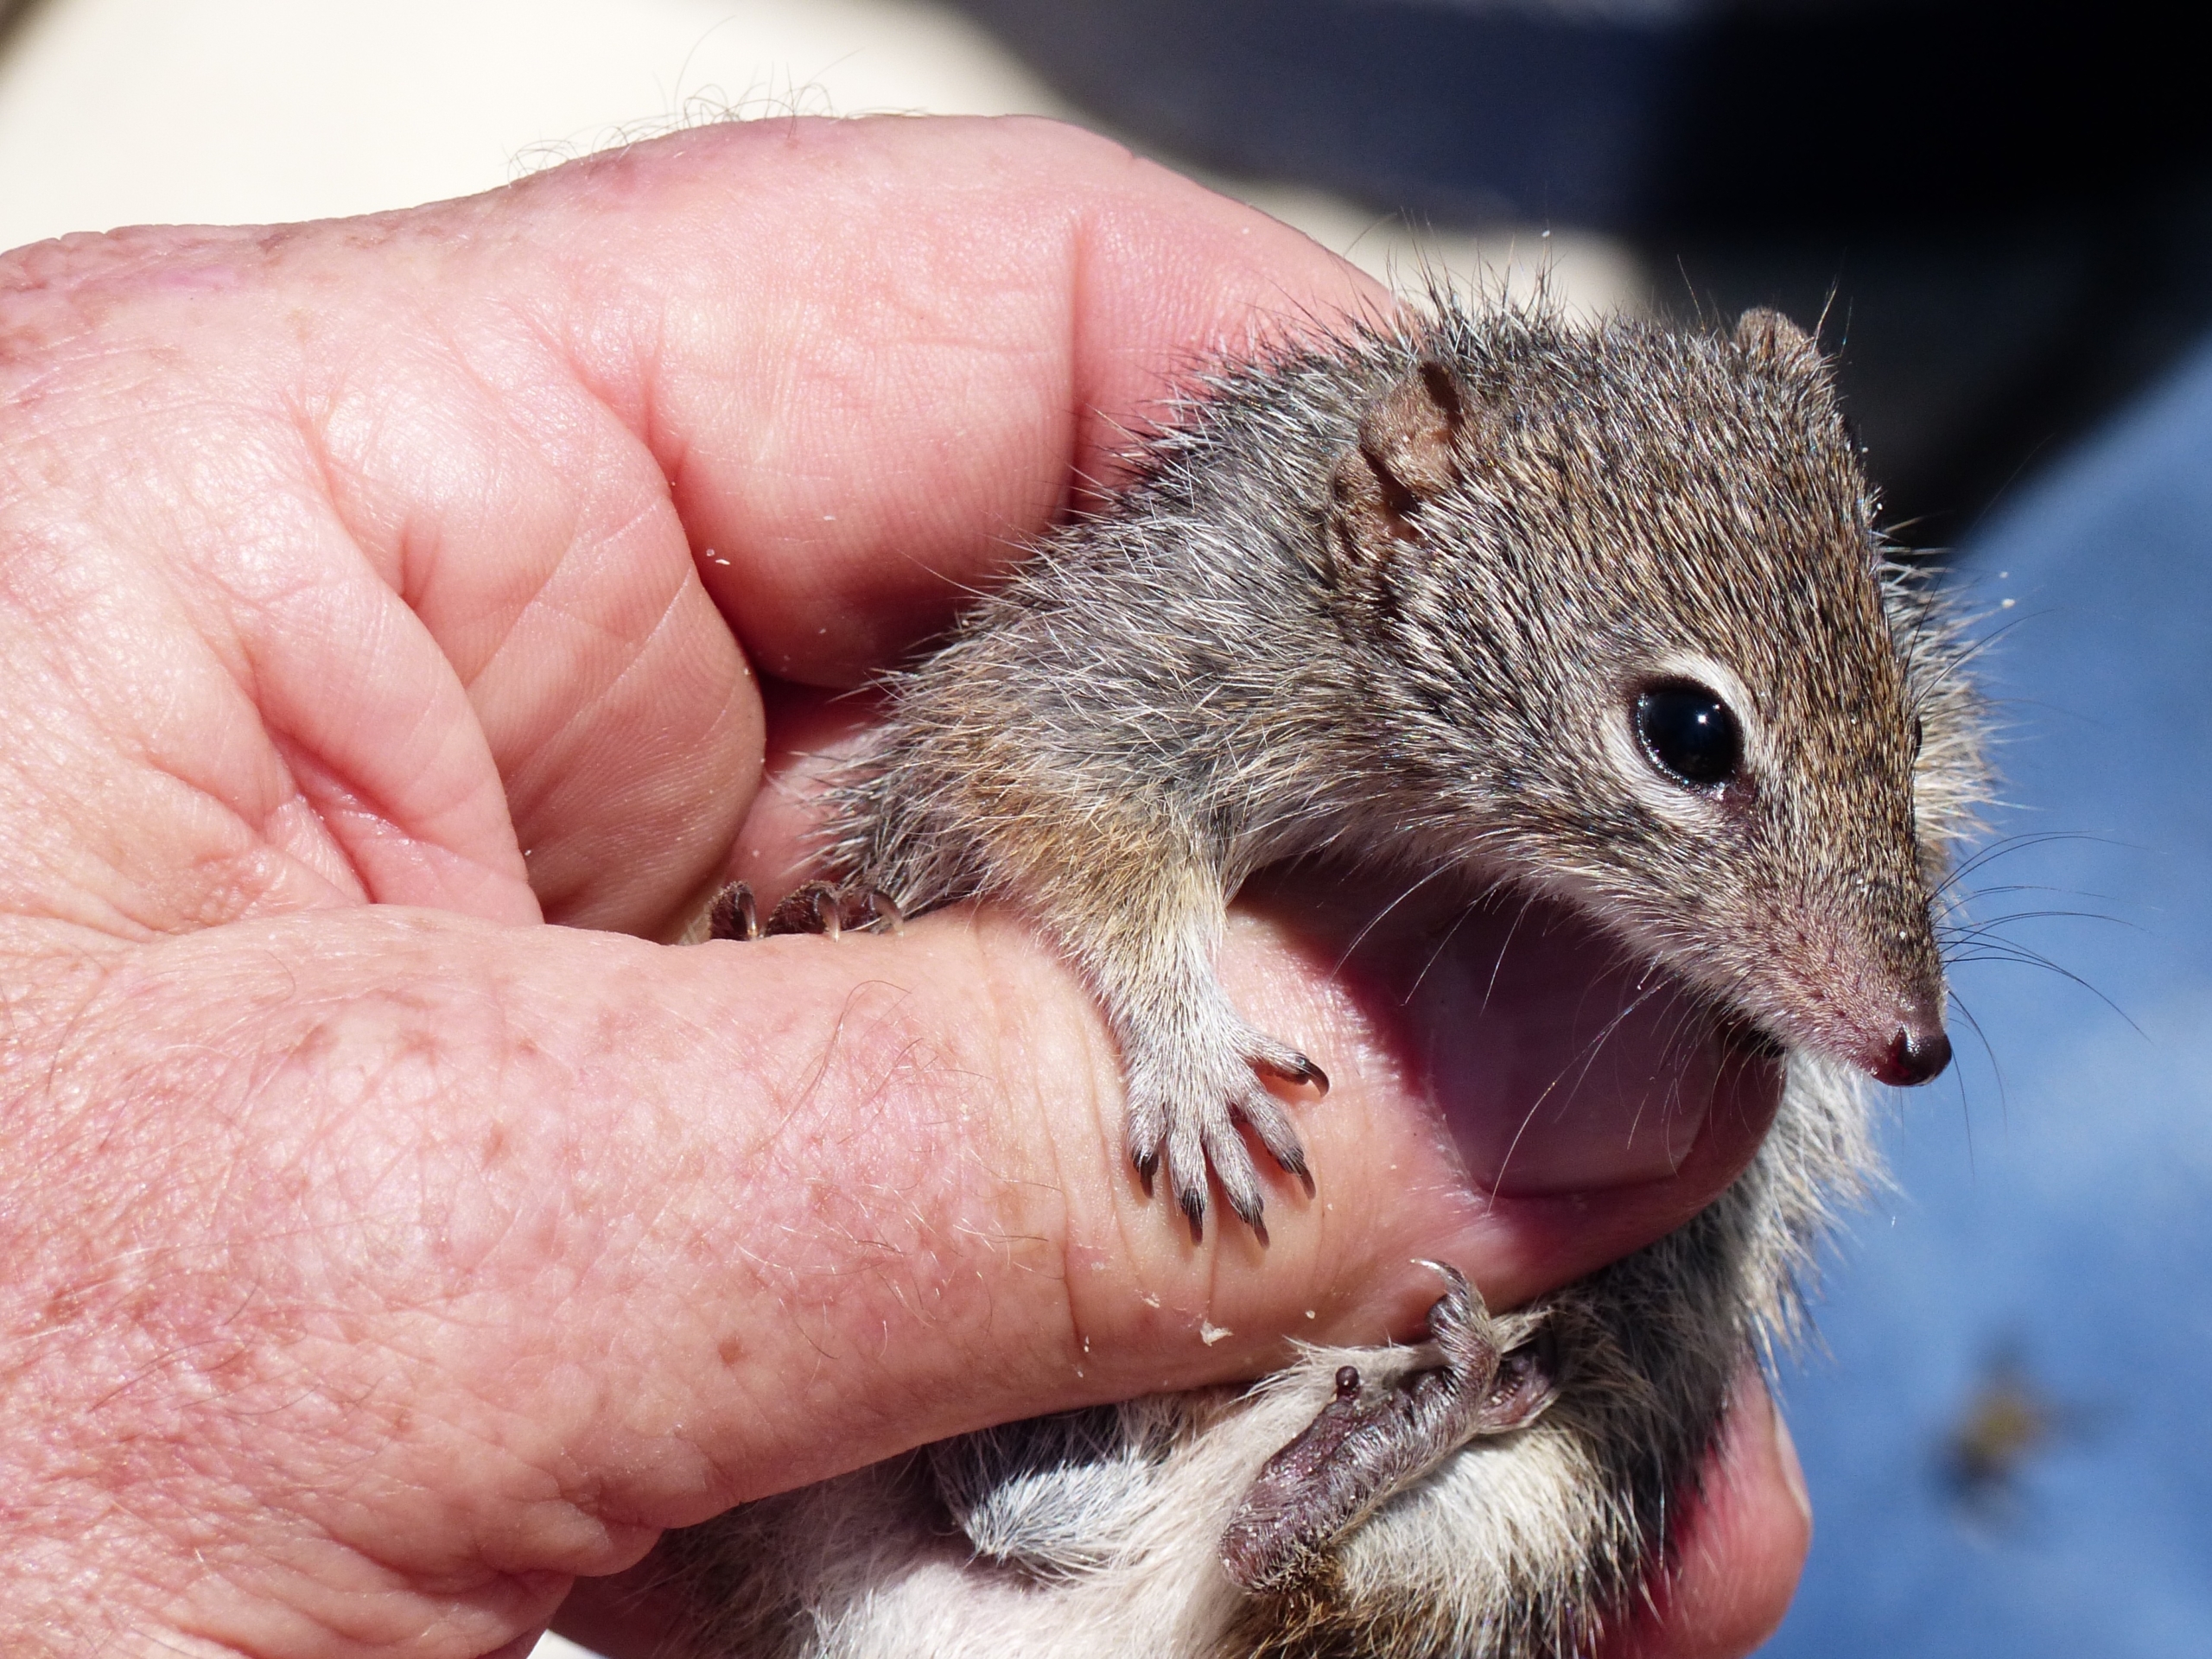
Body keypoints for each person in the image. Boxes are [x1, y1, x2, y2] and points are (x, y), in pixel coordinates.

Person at [0, 115, 1807, 1657]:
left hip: (1205, 1513)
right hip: (913, 1548)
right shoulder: (1245, 618)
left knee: (1532, 1494)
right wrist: (1162, 1020)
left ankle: (1291, 1529)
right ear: (1400, 517)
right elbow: (1038, 760)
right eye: (1676, 743)